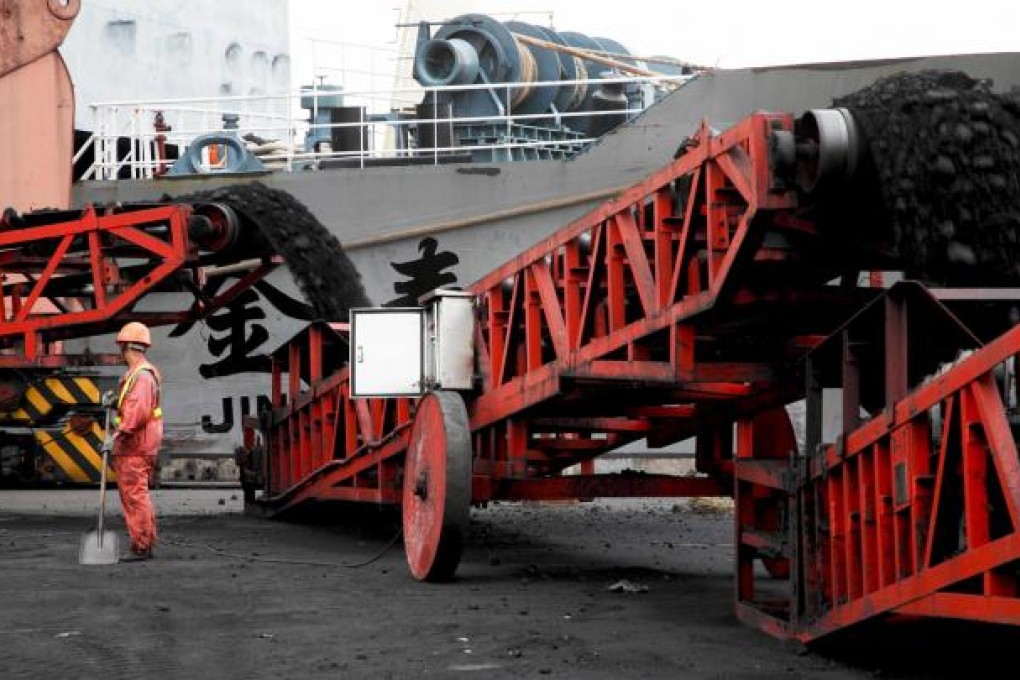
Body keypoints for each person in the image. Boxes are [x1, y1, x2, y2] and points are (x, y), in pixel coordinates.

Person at [103, 321, 163, 562]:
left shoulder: (142, 376)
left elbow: (135, 416)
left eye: (121, 347)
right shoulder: (139, 375)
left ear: (127, 347)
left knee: (135, 496)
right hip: (137, 445)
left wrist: (113, 437)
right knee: (136, 494)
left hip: (135, 446)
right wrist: (115, 400)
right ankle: (144, 542)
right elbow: (132, 405)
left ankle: (141, 546)